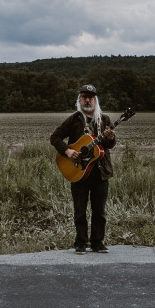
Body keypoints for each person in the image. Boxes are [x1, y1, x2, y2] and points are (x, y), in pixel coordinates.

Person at [50, 84, 116, 254]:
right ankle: (80, 243)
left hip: (100, 172)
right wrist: (68, 151)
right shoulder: (74, 119)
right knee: (80, 211)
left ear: (95, 100)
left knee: (99, 211)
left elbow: (108, 145)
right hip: (78, 171)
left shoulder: (105, 120)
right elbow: (55, 137)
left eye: (91, 97)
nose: (87, 100)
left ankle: (97, 242)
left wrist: (111, 138)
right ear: (79, 100)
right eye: (84, 97)